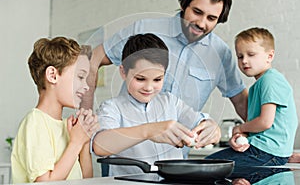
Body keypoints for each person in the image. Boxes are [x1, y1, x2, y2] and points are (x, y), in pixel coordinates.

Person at [93, 33, 220, 176]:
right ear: (123, 72)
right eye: (140, 79)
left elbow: (201, 122)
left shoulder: (171, 102)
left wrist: (211, 128)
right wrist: (149, 131)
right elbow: (99, 145)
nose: (149, 87)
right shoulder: (112, 108)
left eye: (157, 79)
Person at [205, 27, 298, 167]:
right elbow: (259, 125)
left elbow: (265, 122)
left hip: (265, 152)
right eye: (240, 56)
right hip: (264, 151)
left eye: (251, 54)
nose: (244, 61)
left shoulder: (270, 80)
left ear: (270, 56)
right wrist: (243, 136)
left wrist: (240, 129)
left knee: (206, 166)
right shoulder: (258, 85)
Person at [11, 37, 100, 183]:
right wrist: (76, 143)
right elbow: (45, 182)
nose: (86, 86)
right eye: (80, 76)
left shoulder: (69, 127)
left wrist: (84, 140)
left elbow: (87, 180)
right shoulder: (35, 122)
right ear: (52, 75)